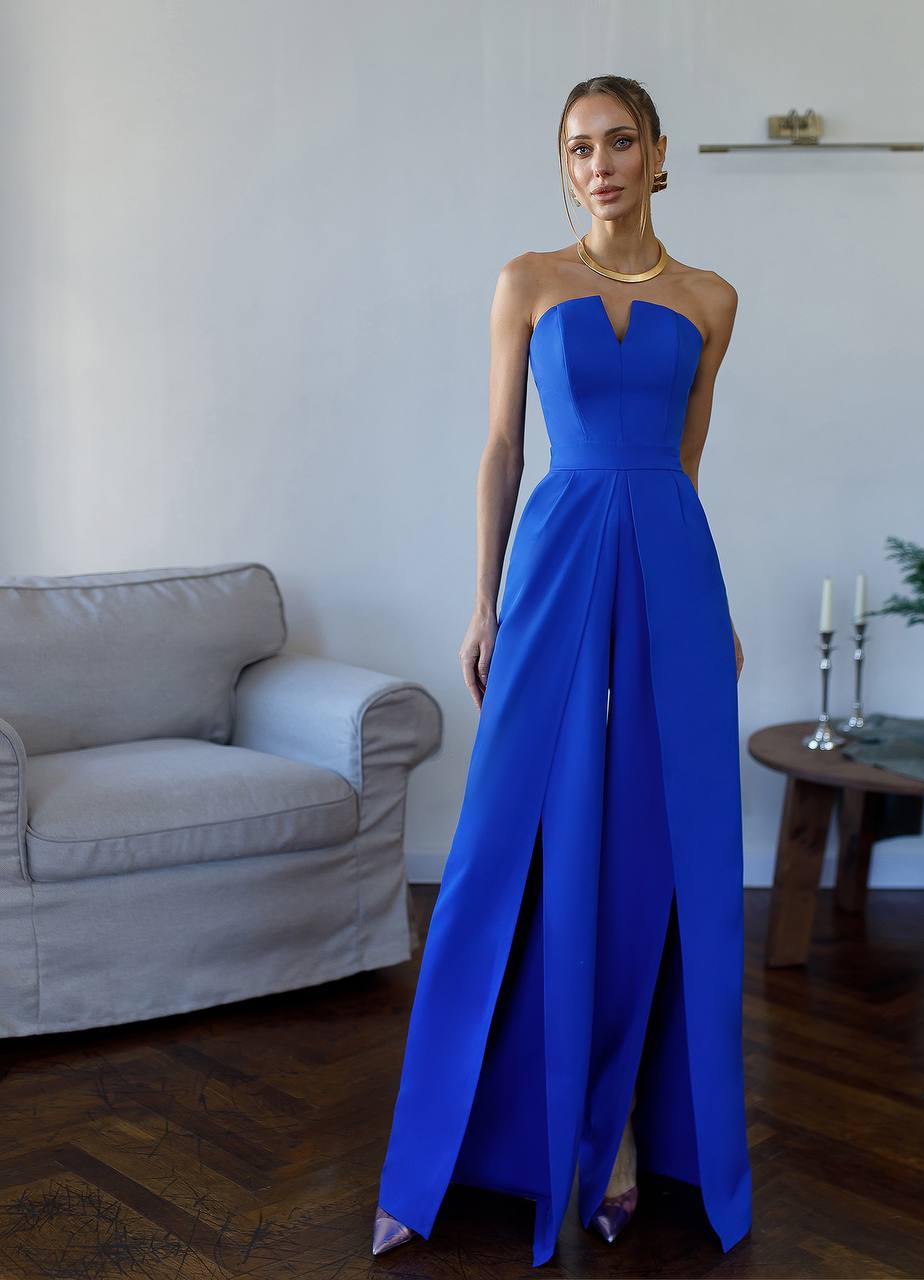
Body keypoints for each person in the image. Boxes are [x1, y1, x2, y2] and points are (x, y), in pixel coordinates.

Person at [372, 73, 751, 1268]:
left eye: (621, 140)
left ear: (657, 154)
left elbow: (682, 471)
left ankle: (627, 1133)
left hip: (671, 577)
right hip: (553, 560)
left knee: (655, 849)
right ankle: (439, 1148)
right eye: (580, 147)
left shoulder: (711, 298)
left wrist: (710, 610)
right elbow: (500, 446)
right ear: (565, 166)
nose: (601, 163)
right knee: (504, 843)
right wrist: (484, 599)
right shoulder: (526, 281)